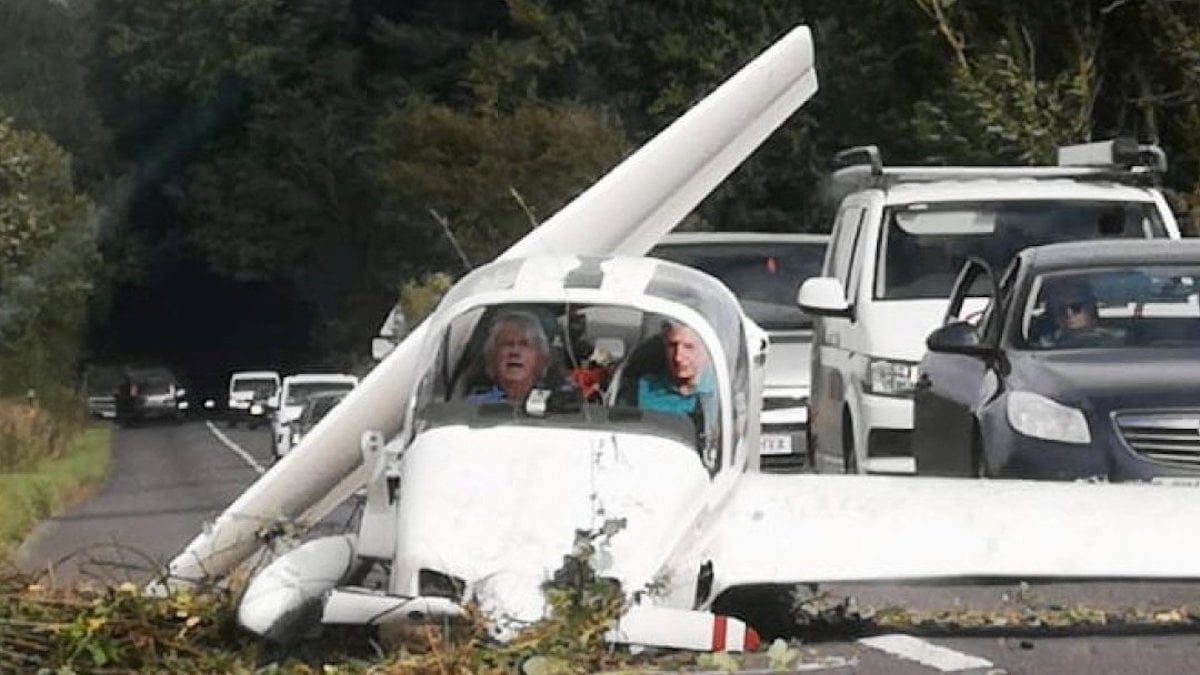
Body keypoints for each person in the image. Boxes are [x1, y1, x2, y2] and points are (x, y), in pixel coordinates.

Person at [635, 321, 719, 445]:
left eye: (689, 347)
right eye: (672, 345)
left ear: (708, 351)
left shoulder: (724, 394)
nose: (678, 357)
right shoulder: (642, 388)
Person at [466, 311, 551, 403]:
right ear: (492, 357)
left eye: (524, 344)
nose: (515, 352)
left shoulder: (555, 405)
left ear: (540, 358)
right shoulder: (474, 406)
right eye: (507, 344)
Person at [1037, 277, 1122, 348]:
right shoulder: (1045, 344)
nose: (1068, 314)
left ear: (1090, 307)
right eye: (1061, 308)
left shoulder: (1118, 340)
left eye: (1075, 307)